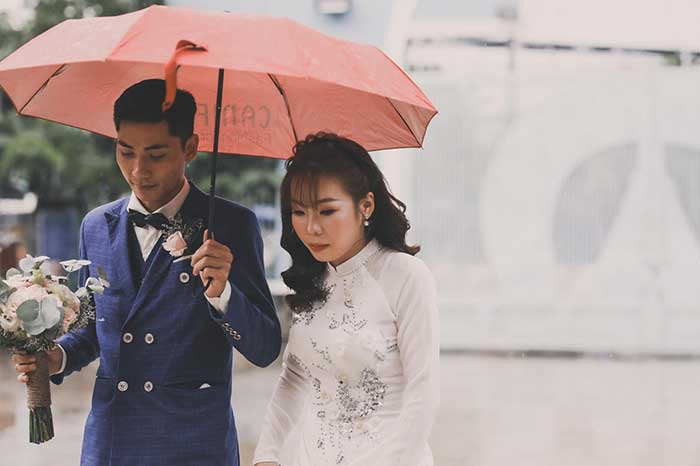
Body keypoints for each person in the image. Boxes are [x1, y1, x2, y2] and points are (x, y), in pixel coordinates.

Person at [12, 79, 282, 466]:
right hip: (111, 440)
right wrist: (57, 358)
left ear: (190, 147)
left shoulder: (232, 225)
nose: (139, 170)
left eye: (156, 154)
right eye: (126, 152)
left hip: (193, 443)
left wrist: (223, 295)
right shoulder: (94, 225)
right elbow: (92, 328)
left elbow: (265, 347)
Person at [253, 133, 440, 466]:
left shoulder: (405, 276)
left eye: (326, 211)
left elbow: (422, 392)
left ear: (365, 205)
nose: (310, 228)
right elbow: (294, 378)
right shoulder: (312, 279)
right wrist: (265, 455)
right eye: (298, 212)